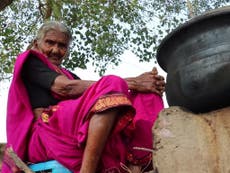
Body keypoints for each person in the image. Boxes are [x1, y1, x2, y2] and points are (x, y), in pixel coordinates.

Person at [2, 21, 165, 173]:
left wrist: (144, 85)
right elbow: (65, 88)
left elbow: (90, 95)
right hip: (43, 137)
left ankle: (135, 164)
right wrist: (134, 82)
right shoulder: (31, 62)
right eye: (50, 42)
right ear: (37, 44)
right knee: (113, 84)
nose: (55, 50)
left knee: (146, 95)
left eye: (62, 46)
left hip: (77, 131)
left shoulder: (72, 76)